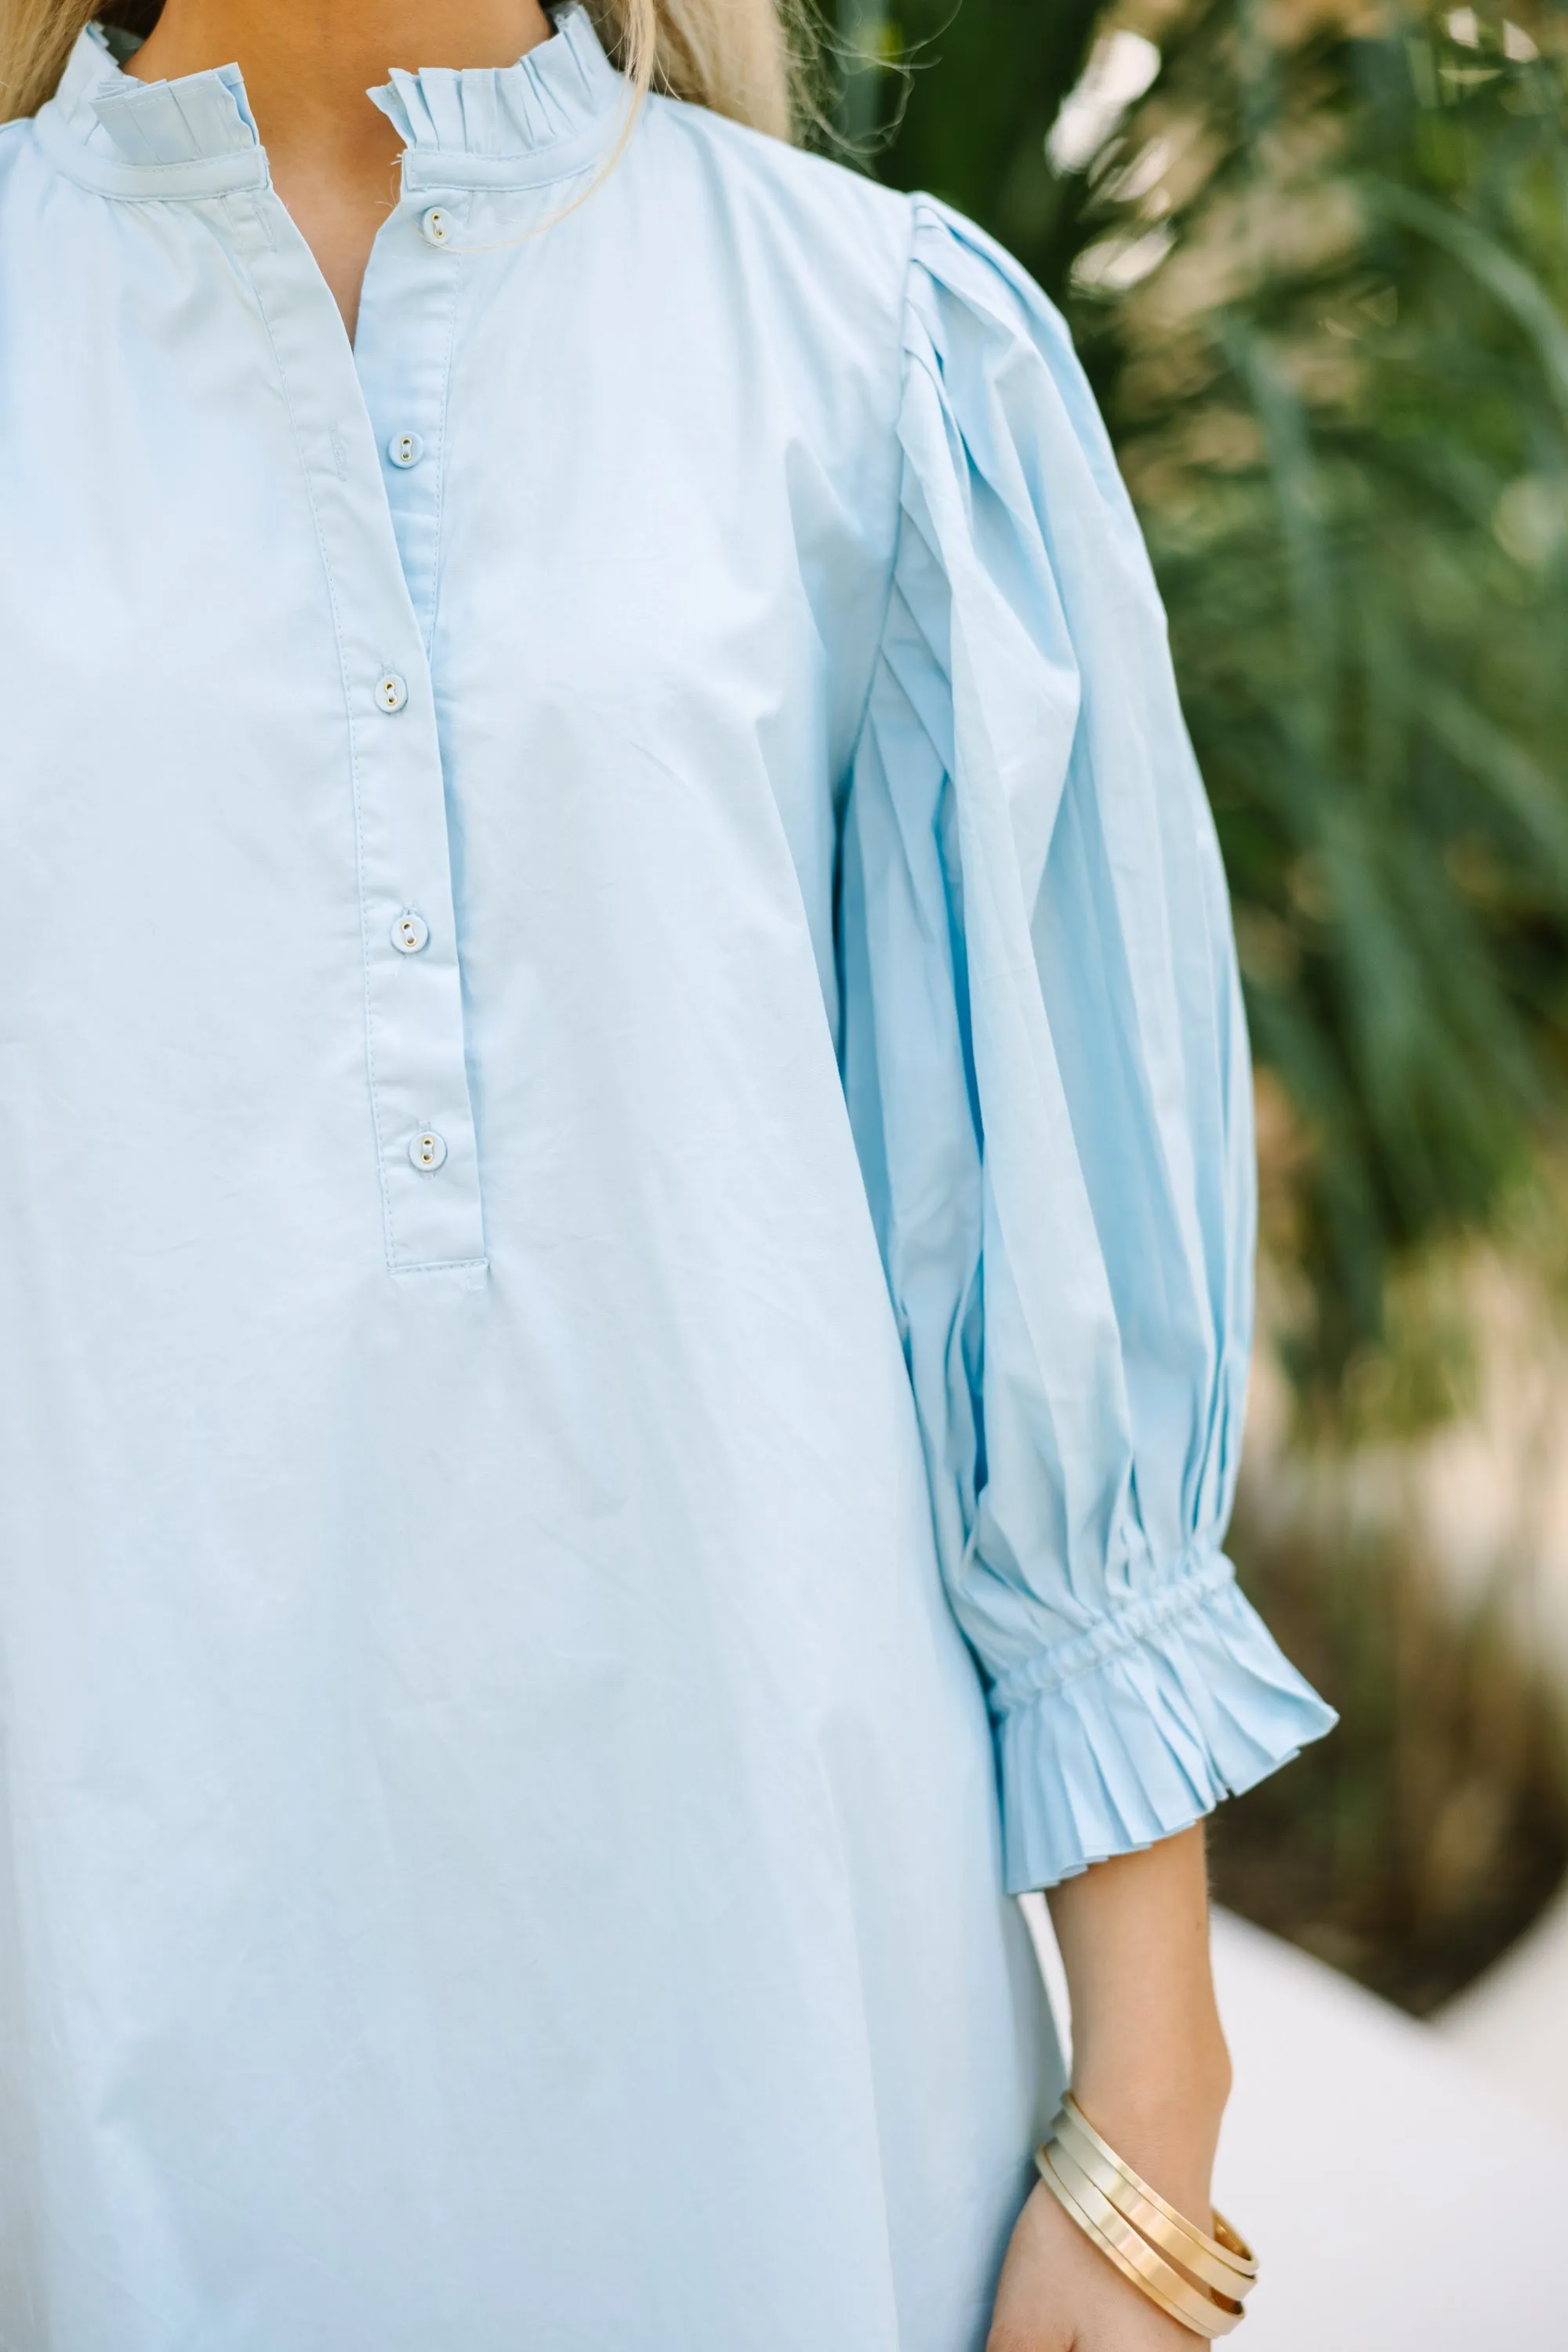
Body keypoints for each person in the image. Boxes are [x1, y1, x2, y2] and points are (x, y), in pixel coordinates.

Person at [0, 3, 1334, 2346]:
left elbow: (1027, 1276)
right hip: (90, 2111)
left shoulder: (866, 347)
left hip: (808, 2098)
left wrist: (1149, 2122)